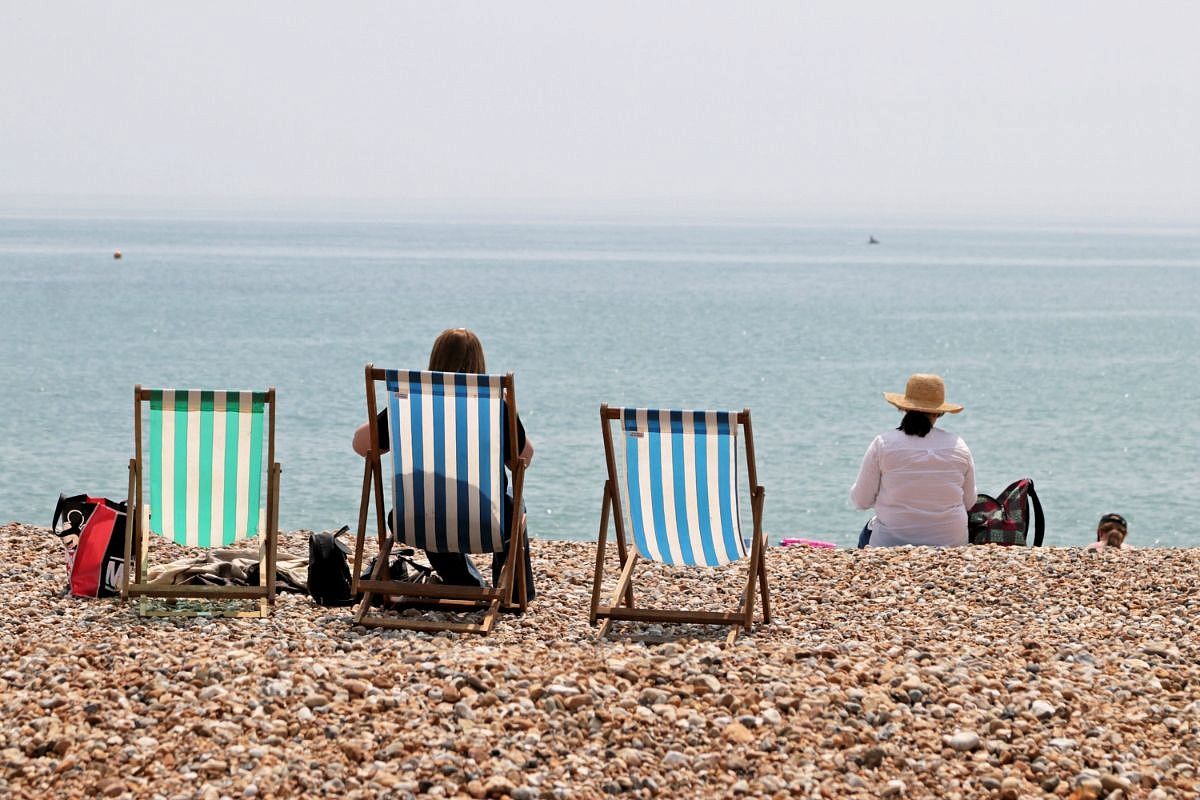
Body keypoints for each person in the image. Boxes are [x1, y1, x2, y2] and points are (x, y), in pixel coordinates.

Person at [352, 328, 536, 598]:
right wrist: (509, 416)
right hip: (487, 522)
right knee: (514, 505)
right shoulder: (495, 404)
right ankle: (515, 593)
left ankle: (465, 582)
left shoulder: (409, 403)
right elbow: (523, 459)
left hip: (414, 519)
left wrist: (394, 411)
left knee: (433, 505)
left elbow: (361, 444)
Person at [850, 373, 976, 548]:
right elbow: (969, 502)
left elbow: (860, 501)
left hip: (891, 543)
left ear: (903, 408)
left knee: (868, 531)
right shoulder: (959, 445)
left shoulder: (883, 444)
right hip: (951, 543)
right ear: (939, 413)